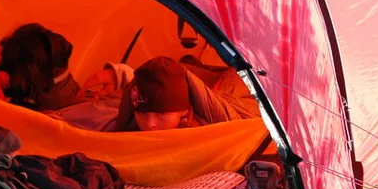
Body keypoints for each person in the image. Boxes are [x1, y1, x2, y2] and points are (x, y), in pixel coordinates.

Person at [87, 56, 259, 132]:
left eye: (161, 114)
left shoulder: (209, 127)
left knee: (244, 73)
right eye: (142, 114)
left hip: (237, 94)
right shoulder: (129, 121)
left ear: (183, 111)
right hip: (208, 87)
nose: (150, 124)